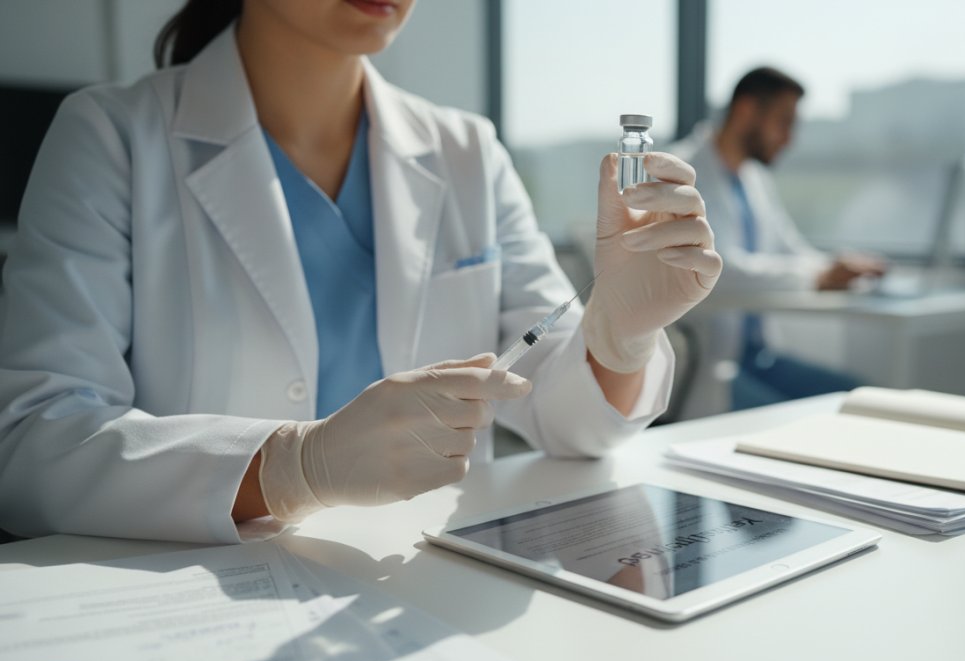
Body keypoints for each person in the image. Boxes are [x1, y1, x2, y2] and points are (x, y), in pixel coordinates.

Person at [0, 0, 721, 544]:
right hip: (202, 601)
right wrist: (292, 467)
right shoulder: (112, 138)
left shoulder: (467, 151)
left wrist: (618, 337)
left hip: (425, 583)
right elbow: (33, 442)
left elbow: (562, 415)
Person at [670, 66, 884, 418]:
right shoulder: (682, 173)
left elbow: (790, 250)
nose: (789, 139)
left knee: (860, 399)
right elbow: (717, 270)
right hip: (713, 366)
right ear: (746, 110)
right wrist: (816, 277)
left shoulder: (753, 180)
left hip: (759, 358)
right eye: (784, 122)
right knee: (812, 422)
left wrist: (840, 269)